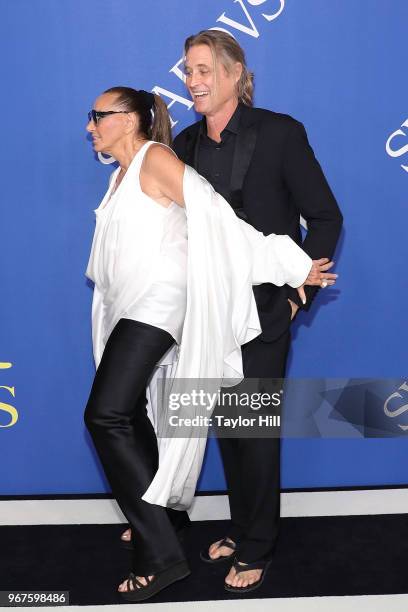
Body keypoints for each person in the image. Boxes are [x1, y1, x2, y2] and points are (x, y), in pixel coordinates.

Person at [84, 86, 338, 602]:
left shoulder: (158, 158)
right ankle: (164, 519)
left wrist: (291, 269)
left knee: (109, 415)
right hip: (130, 309)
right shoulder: (126, 172)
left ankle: (171, 546)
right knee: (132, 415)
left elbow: (219, 220)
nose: (90, 126)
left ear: (131, 120)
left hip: (159, 308)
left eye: (99, 116)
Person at [171, 30, 343, 594]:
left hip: (267, 309)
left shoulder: (279, 133)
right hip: (209, 313)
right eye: (187, 71)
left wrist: (300, 295)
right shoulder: (186, 147)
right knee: (226, 426)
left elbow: (324, 217)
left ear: (233, 71)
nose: (191, 80)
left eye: (201, 70)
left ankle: (258, 546)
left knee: (254, 428)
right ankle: (243, 528)